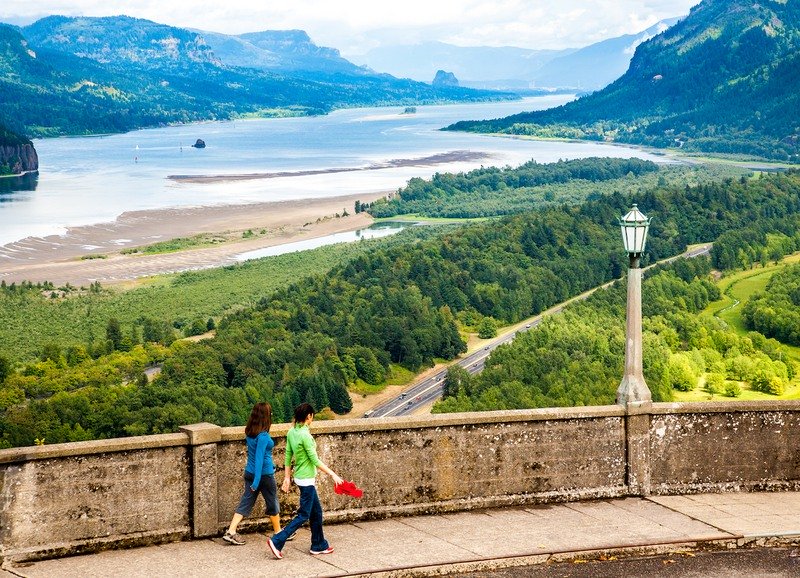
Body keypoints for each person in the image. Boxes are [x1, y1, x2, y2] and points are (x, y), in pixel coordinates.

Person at [268, 403, 343, 559]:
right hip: (307, 479)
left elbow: (288, 456)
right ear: (309, 416)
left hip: (300, 477)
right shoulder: (305, 436)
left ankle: (319, 544)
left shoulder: (291, 432)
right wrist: (333, 474)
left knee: (316, 512)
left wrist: (287, 477)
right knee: (303, 515)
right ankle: (277, 540)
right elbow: (315, 460)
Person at [223, 402, 285, 545]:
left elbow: (258, 455)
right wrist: (257, 480)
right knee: (272, 503)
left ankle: (231, 531)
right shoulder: (263, 436)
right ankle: (278, 533)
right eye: (270, 413)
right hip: (263, 475)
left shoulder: (250, 433)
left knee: (246, 502)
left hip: (249, 472)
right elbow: (259, 458)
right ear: (266, 416)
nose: (272, 415)